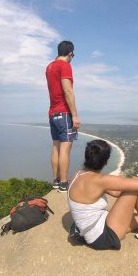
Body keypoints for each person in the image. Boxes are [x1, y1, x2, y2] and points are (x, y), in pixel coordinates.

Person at [46, 40, 80, 193]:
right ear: (71, 53)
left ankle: (56, 180)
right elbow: (68, 91)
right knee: (65, 149)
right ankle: (64, 183)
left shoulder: (50, 66)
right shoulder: (65, 66)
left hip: (53, 113)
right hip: (64, 113)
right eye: (73, 55)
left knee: (56, 147)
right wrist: (75, 116)